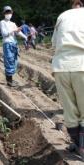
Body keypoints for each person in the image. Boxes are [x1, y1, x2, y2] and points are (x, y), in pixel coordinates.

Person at [52, 0, 84, 160]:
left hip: (60, 67)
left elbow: (53, 42)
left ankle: (78, 145)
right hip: (81, 64)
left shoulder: (62, 15)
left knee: (70, 112)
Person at [0, 6, 27, 87]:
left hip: (14, 44)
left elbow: (18, 33)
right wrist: (14, 30)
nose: (8, 14)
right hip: (7, 44)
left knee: (14, 61)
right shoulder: (2, 22)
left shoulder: (13, 23)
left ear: (12, 13)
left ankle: (10, 79)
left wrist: (25, 37)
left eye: (9, 12)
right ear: (4, 13)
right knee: (9, 61)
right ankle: (9, 82)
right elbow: (4, 34)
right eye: (6, 12)